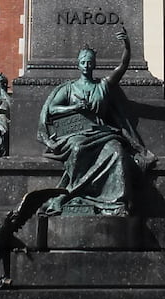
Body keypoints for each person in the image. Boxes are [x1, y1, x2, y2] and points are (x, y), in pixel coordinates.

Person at [38, 26, 150, 215]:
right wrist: (74, 107)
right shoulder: (69, 88)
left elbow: (122, 67)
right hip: (76, 133)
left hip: (101, 133)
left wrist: (127, 46)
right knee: (77, 149)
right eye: (83, 62)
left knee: (118, 152)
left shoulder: (103, 85)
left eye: (90, 62)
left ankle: (115, 202)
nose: (86, 65)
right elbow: (52, 109)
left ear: (94, 64)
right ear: (78, 65)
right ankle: (70, 193)